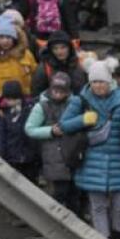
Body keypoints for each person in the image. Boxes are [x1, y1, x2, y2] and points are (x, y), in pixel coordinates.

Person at [60, 60, 120, 239]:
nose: (98, 85)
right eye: (94, 81)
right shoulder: (80, 100)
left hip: (119, 157)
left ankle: (118, 235)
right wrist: (82, 120)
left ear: (110, 81)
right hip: (92, 159)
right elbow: (64, 125)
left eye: (101, 81)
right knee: (98, 205)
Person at [25, 71, 83, 212]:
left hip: (72, 154)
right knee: (59, 193)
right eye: (55, 90)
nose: (57, 94)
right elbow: (30, 129)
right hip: (53, 155)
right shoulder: (41, 106)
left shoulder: (75, 104)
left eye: (62, 91)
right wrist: (50, 131)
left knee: (75, 194)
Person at [0, 80, 37, 181]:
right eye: (9, 99)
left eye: (15, 99)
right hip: (11, 159)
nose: (12, 102)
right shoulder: (2, 114)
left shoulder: (30, 109)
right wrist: (0, 158)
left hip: (29, 158)